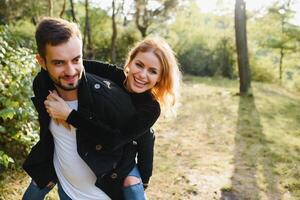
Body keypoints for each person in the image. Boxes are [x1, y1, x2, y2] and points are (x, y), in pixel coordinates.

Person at [43, 37, 181, 200]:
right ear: (130, 62)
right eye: (139, 65)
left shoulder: (151, 108)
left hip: (123, 157)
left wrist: (69, 115)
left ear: (160, 77)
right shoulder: (113, 75)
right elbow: (74, 67)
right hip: (90, 153)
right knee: (41, 172)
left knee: (132, 184)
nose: (142, 75)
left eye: (152, 71)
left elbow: (115, 140)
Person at [22, 17, 145, 200]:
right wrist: (46, 170)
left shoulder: (108, 98)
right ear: (42, 62)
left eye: (76, 59)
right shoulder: (41, 85)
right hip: (68, 193)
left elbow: (141, 133)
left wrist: (140, 180)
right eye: (59, 63)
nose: (71, 71)